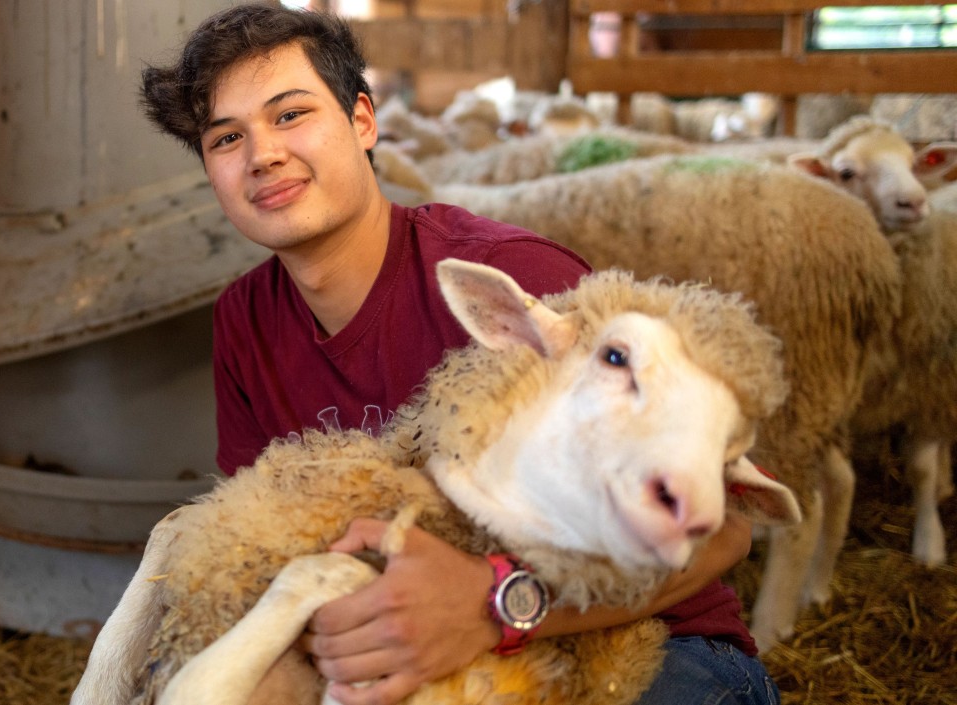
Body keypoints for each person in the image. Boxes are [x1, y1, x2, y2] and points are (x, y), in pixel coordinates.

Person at [138, 4, 780, 705]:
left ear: (362, 122)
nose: (262, 154)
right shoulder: (245, 319)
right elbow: (261, 527)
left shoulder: (508, 280)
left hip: (651, 644)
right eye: (226, 137)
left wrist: (493, 603)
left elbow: (728, 531)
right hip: (413, 653)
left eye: (290, 115)